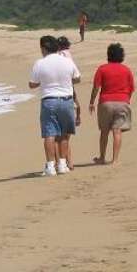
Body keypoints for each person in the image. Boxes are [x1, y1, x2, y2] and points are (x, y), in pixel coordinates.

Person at [29, 35, 81, 176]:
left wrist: (44, 82)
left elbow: (32, 84)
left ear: (43, 48)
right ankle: (63, 165)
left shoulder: (40, 63)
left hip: (49, 100)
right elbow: (77, 78)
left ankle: (51, 166)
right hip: (66, 99)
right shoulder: (67, 61)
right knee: (65, 134)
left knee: (49, 134)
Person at [88, 43, 135, 165]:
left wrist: (92, 102)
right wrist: (126, 99)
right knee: (117, 131)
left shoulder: (102, 69)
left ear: (108, 55)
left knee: (104, 131)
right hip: (123, 102)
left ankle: (102, 157)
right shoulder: (126, 70)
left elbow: (96, 87)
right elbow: (131, 88)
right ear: (122, 56)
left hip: (106, 103)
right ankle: (115, 160)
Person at [57, 36, 82, 170]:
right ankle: (68, 162)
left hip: (57, 96)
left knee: (58, 136)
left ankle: (62, 162)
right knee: (66, 136)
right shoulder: (68, 56)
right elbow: (76, 79)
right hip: (68, 96)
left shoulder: (58, 56)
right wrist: (78, 114)